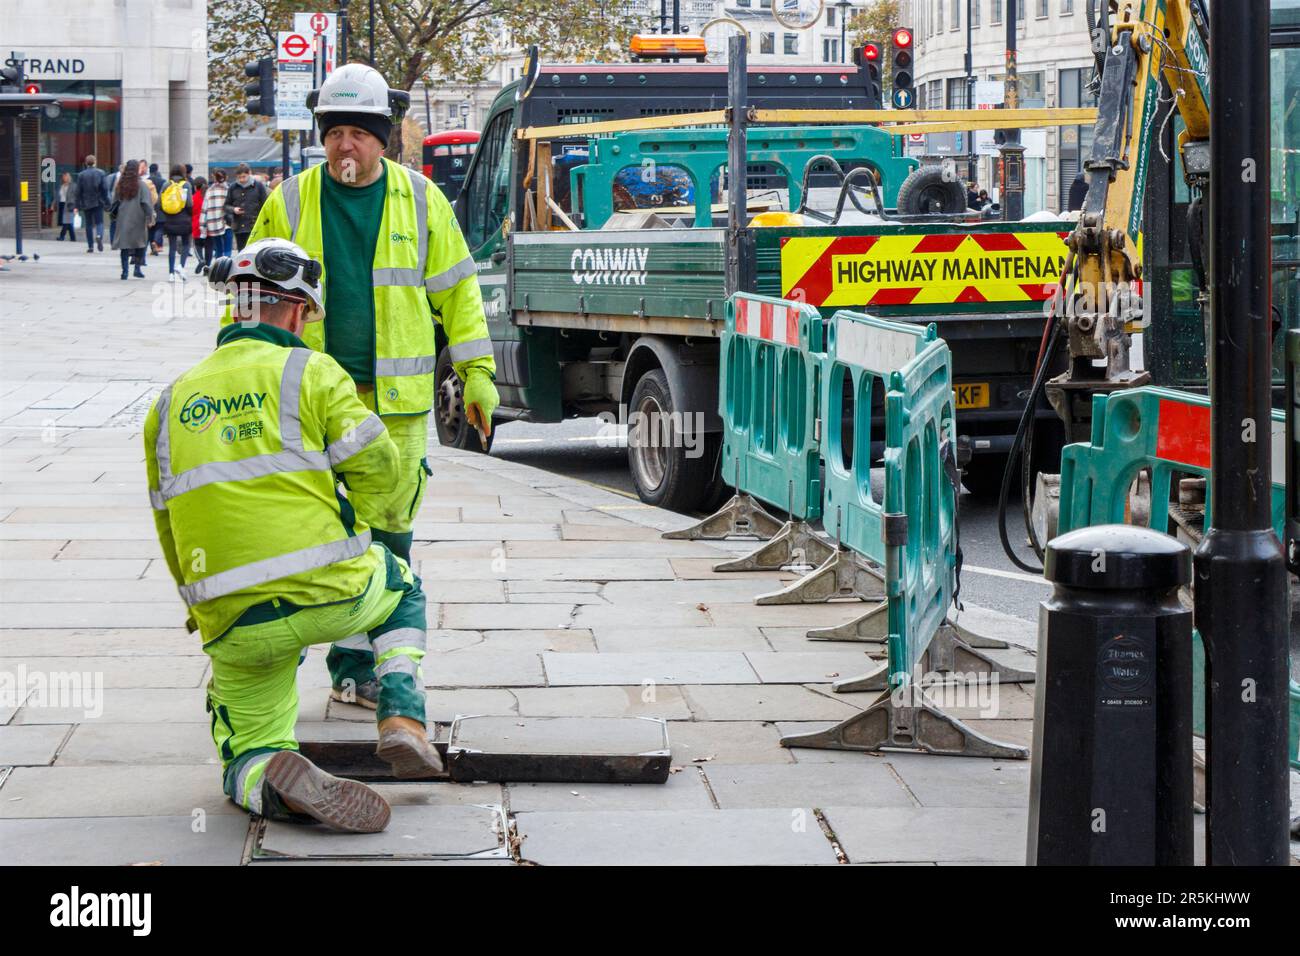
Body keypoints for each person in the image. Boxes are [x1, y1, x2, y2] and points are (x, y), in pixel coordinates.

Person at [145, 238, 442, 831]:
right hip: (332, 591)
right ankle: (402, 713)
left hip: (233, 618)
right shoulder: (312, 371)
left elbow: (168, 526)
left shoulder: (168, 402)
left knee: (245, 749)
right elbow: (382, 473)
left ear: (236, 306)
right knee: (402, 585)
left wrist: (206, 611)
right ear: (297, 310)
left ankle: (273, 778)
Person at [244, 62, 498, 707]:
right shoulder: (290, 201)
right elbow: (248, 299)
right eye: (335, 131)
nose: (345, 145)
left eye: (359, 132)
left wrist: (478, 374)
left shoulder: (422, 200)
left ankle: (380, 674)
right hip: (306, 403)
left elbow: (458, 293)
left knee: (388, 537)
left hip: (397, 408)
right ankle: (338, 670)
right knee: (315, 533)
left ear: (384, 137)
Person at [110, 159, 153, 280]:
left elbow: (114, 201)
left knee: (124, 245)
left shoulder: (120, 184)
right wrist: (150, 216)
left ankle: (124, 272)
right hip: (138, 218)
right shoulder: (142, 185)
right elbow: (146, 203)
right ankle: (137, 269)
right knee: (140, 243)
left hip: (123, 218)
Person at [158, 164, 194, 281]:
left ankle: (171, 274)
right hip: (184, 219)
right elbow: (189, 203)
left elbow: (159, 203)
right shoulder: (186, 185)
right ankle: (181, 266)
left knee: (172, 247)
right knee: (186, 244)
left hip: (170, 219)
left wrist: (167, 212)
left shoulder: (166, 184)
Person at [228, 163, 269, 250]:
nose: (241, 180)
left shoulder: (259, 186)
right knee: (241, 251)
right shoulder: (233, 187)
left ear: (249, 173)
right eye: (239, 177)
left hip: (254, 225)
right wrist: (234, 209)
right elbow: (226, 205)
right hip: (239, 226)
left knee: (254, 250)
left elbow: (265, 204)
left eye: (244, 177)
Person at [73, 154, 108, 253]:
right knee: (99, 222)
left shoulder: (81, 175)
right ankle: (99, 236)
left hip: (86, 202)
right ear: (95, 162)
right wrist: (106, 201)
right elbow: (104, 189)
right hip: (98, 201)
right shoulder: (101, 173)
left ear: (85, 163)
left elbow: (78, 191)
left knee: (88, 224)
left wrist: (76, 205)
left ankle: (90, 246)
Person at [201, 169, 232, 269]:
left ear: (213, 177)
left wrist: (202, 227)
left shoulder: (209, 191)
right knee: (228, 248)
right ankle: (226, 269)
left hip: (213, 223)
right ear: (226, 177)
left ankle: (218, 270)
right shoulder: (229, 189)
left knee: (219, 248)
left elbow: (204, 210)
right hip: (227, 222)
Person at [190, 176, 208, 275]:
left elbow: (191, 211)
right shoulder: (208, 196)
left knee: (197, 246)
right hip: (207, 225)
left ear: (195, 187)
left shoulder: (194, 197)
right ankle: (207, 267)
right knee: (208, 248)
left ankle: (201, 260)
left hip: (196, 225)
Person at [147, 163, 166, 254]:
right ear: (157, 170)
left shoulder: (146, 181)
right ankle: (155, 242)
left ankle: (152, 248)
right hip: (160, 207)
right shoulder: (163, 181)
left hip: (150, 206)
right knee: (160, 227)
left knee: (151, 228)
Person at [56, 172, 76, 242]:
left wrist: (75, 207)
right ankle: (73, 238)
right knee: (67, 222)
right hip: (62, 204)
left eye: (65, 176)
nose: (64, 178)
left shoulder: (73, 186)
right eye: (63, 177)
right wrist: (53, 204)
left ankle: (62, 236)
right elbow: (58, 196)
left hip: (69, 205)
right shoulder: (61, 186)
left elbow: (76, 196)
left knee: (67, 222)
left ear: (68, 177)